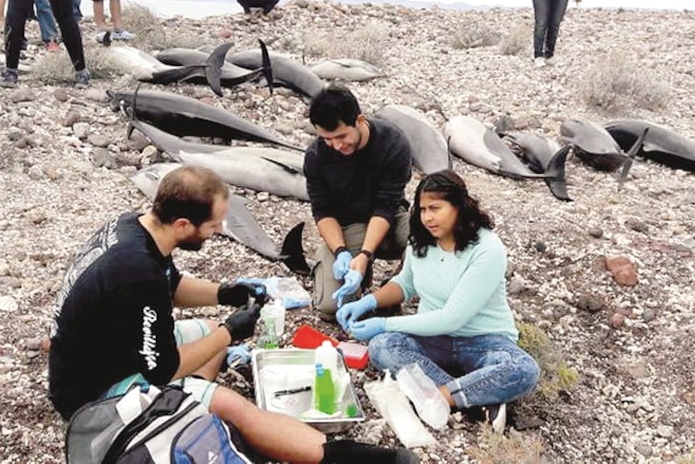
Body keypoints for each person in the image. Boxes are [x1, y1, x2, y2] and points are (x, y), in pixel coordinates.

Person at [48, 165, 417, 464]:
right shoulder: (135, 274)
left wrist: (225, 293)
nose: (218, 230)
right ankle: (345, 458)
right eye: (212, 225)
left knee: (205, 331)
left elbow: (171, 284)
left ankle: (190, 410)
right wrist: (229, 331)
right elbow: (162, 367)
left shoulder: (137, 226)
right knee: (234, 404)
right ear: (182, 225)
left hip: (97, 353)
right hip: (93, 395)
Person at [337, 170, 541, 434]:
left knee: (523, 369)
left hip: (484, 342)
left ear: (459, 206)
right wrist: (367, 302)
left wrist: (385, 322)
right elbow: (405, 284)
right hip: (433, 339)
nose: (428, 217)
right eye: (422, 209)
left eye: (435, 208)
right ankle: (474, 399)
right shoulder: (420, 242)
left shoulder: (487, 249)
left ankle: (439, 397)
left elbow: (452, 318)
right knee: (383, 346)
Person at [304, 85, 412, 321]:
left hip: (390, 221)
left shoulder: (393, 144)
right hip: (347, 227)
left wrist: (365, 254)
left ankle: (395, 288)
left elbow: (386, 205)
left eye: (342, 136)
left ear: (359, 120)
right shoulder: (316, 156)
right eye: (327, 139)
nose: (336, 145)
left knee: (428, 234)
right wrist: (341, 251)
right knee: (331, 308)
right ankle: (359, 278)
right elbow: (322, 211)